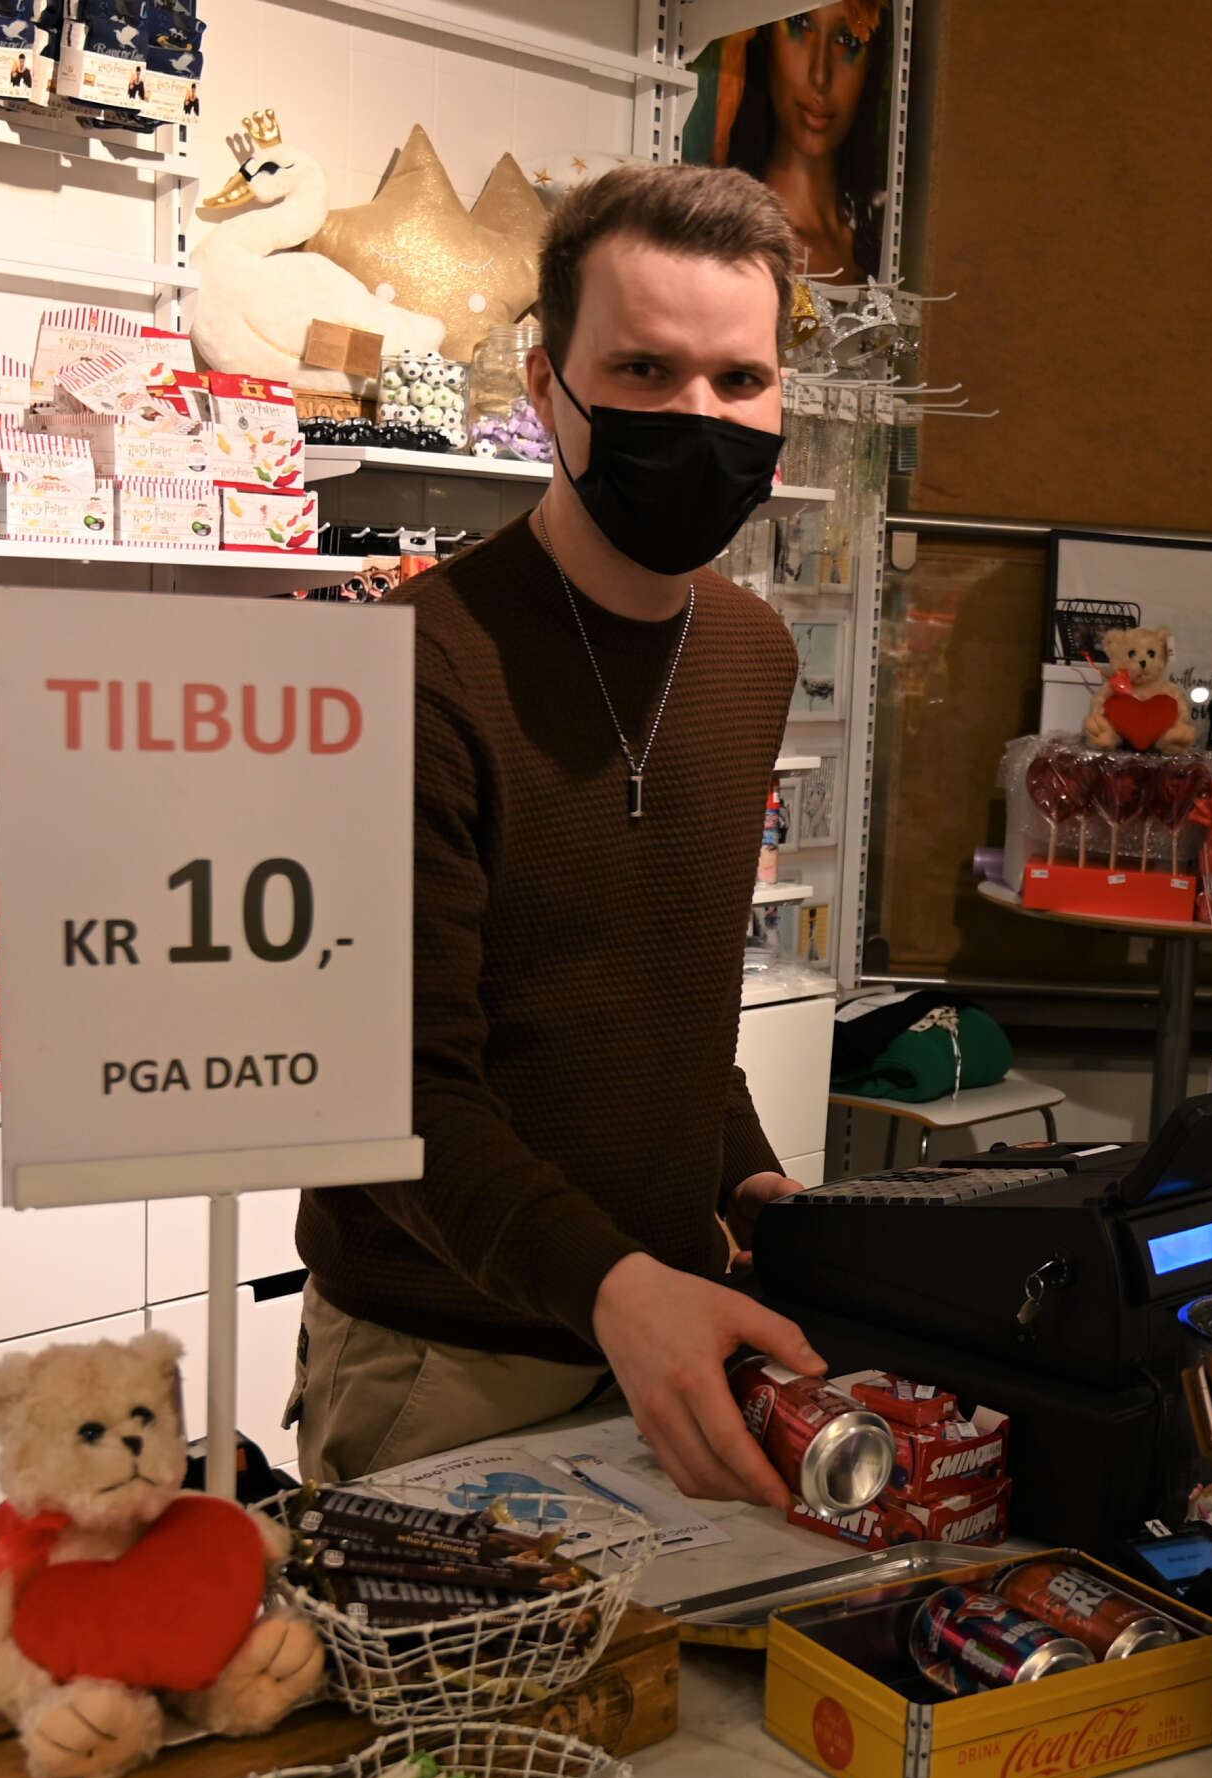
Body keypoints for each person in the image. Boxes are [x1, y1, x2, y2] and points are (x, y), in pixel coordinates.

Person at [288, 165, 824, 1508]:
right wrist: (610, 1284)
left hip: (669, 1322)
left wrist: (744, 1172)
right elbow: (390, 1088)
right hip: (448, 1357)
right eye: (643, 369)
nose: (698, 416)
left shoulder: (752, 654)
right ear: (544, 385)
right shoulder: (413, 666)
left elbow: (667, 989)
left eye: (739, 379)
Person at [711, 0, 887, 282]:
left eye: (847, 41)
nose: (820, 76)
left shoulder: (886, 244)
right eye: (800, 24)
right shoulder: (719, 232)